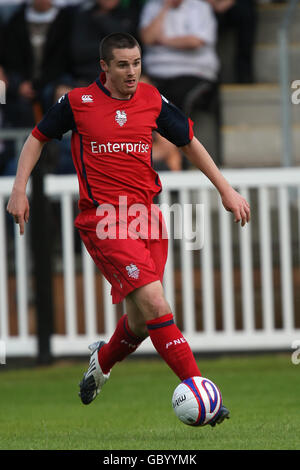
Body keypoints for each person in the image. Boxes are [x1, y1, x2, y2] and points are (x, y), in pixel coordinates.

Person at [7, 33, 250, 426]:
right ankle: (202, 392)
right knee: (156, 304)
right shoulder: (78, 102)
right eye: (122, 65)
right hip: (104, 221)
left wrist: (226, 190)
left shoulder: (152, 99)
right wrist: (19, 189)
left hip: (148, 219)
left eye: (136, 63)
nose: (132, 72)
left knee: (140, 321)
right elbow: (37, 137)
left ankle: (101, 361)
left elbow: (188, 141)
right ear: (104, 67)